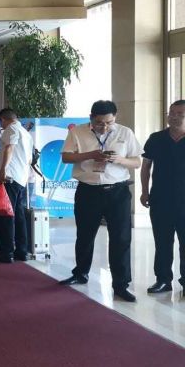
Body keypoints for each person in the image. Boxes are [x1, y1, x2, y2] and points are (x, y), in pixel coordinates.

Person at [58, 100, 142, 302]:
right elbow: (66, 157)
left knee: (121, 238)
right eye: (99, 123)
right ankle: (81, 273)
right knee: (85, 235)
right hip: (88, 191)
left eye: (109, 123)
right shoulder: (77, 132)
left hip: (118, 192)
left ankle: (121, 285)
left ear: (115, 118)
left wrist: (119, 160)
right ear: (91, 118)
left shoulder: (125, 133)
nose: (104, 127)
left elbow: (137, 161)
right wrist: (91, 155)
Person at [140, 100, 185, 294]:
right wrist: (144, 191)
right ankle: (163, 279)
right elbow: (146, 167)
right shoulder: (156, 138)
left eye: (180, 114)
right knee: (162, 242)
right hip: (160, 199)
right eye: (171, 113)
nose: (174, 117)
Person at [0, 108, 33, 263]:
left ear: (3, 119)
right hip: (21, 179)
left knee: (6, 215)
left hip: (10, 177)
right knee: (19, 216)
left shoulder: (11, 129)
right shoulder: (26, 133)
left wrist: (3, 170)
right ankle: (22, 251)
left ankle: (6, 252)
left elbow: (9, 148)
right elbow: (29, 159)